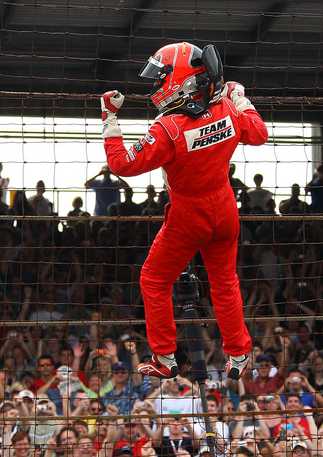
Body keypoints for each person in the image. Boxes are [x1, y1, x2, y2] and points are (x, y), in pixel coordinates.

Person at [98, 41, 268, 379]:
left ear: (182, 81)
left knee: (154, 279)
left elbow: (120, 163)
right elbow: (259, 133)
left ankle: (164, 358)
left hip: (188, 215)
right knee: (224, 282)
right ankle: (239, 353)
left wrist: (110, 117)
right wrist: (238, 97)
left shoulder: (168, 129)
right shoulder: (229, 112)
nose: (156, 87)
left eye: (161, 79)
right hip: (224, 207)